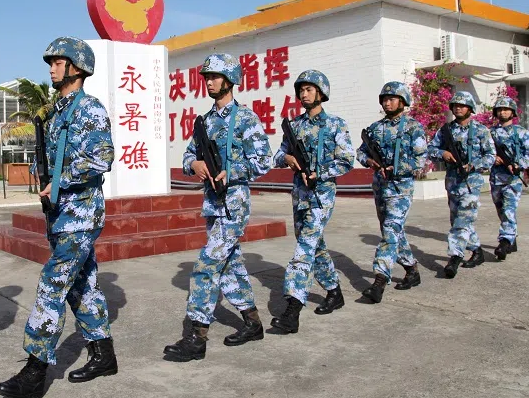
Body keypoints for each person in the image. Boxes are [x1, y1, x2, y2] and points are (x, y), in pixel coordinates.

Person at [0, 37, 117, 398]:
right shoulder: (56, 112)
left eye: (58, 62)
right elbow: (49, 159)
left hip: (80, 213)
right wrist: (43, 174)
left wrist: (60, 178)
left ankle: (35, 369)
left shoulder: (89, 110)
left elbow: (102, 158)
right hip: (60, 214)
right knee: (82, 286)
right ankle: (104, 354)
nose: (51, 68)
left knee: (52, 283)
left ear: (76, 68)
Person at [163, 53, 273, 362]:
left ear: (230, 79)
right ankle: (253, 323)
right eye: (206, 77)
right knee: (230, 267)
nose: (209, 81)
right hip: (212, 204)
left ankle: (196, 338)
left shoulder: (246, 119)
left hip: (234, 204)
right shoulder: (205, 121)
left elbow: (263, 161)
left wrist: (232, 171)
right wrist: (194, 163)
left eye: (214, 76)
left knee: (206, 266)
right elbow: (188, 155)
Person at [270, 70, 354, 333]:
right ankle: (334, 291)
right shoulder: (294, 126)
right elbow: (278, 155)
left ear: (321, 92)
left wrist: (322, 172)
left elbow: (347, 160)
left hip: (322, 195)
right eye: (301, 90)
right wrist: (287, 159)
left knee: (304, 249)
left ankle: (293, 307)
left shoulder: (336, 125)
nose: (304, 94)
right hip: (300, 195)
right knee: (314, 245)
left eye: (309, 89)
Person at [356, 82, 429, 303]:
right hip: (380, 186)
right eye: (384, 99)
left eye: (392, 98)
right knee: (394, 232)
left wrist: (397, 168)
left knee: (389, 232)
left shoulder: (413, 128)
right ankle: (411, 269)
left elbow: (420, 160)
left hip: (401, 188)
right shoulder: (375, 128)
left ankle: (379, 280)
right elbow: (360, 152)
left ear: (403, 101)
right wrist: (368, 161)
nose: (387, 103)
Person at [427, 90, 496, 278]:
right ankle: (477, 251)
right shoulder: (446, 130)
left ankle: (455, 257)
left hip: (471, 183)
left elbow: (490, 156)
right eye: (455, 105)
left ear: (470, 109)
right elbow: (431, 149)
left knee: (462, 221)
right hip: (453, 182)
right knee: (459, 219)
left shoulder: (481, 130)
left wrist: (474, 164)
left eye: (462, 105)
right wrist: (443, 154)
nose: (458, 108)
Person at [489, 95, 529, 260]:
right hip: (496, 178)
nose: (503, 112)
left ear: (512, 112)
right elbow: (482, 153)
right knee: (501, 211)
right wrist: (492, 158)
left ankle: (503, 242)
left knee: (509, 210)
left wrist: (519, 164)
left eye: (506, 109)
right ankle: (511, 238)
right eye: (500, 109)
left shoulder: (521, 132)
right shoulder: (490, 133)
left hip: (513, 179)